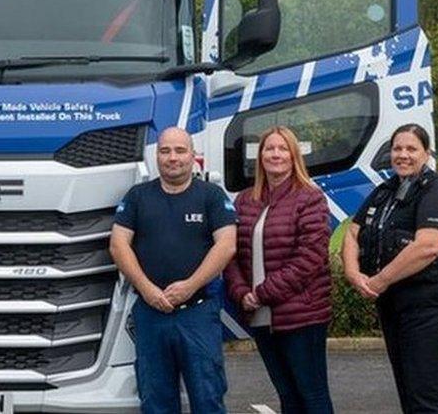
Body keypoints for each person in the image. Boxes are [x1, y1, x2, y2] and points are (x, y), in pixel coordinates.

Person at [109, 127, 237, 414]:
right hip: (151, 314)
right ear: (157, 156)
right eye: (165, 151)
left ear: (193, 155)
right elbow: (118, 245)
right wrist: (147, 289)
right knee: (155, 401)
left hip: (198, 313)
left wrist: (190, 285)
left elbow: (226, 245)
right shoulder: (138, 196)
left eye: (180, 150)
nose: (172, 158)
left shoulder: (212, 196)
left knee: (208, 398)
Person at [342, 123, 438, 413]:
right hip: (395, 305)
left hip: (431, 307)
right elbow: (352, 232)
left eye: (411, 148)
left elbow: (429, 246)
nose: (403, 155)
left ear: (426, 153)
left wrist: (379, 281)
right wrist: (352, 273)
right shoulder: (385, 191)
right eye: (397, 148)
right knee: (410, 393)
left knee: (428, 399)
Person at [224, 126, 333, 413]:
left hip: (301, 315)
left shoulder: (310, 197)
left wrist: (263, 293)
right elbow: (231, 253)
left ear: (294, 155)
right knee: (287, 395)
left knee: (312, 395)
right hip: (260, 315)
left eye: (282, 148)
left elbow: (310, 257)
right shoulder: (245, 199)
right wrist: (241, 292)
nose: (275, 154)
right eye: (269, 148)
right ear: (259, 156)